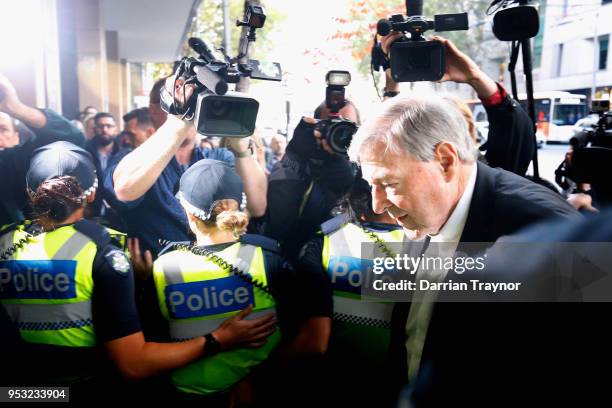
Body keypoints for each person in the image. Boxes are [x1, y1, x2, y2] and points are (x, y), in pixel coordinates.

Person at [347, 91, 579, 403]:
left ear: (445, 161)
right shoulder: (423, 212)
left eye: (389, 184)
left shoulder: (544, 226)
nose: (377, 205)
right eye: (371, 185)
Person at [0, 142, 276, 402]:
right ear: (93, 194)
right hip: (85, 390)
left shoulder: (5, 242)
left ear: (31, 193)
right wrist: (219, 339)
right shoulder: (105, 252)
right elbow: (133, 365)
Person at [147, 159, 329, 403]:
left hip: (186, 394)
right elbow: (302, 336)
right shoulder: (269, 259)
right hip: (261, 390)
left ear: (189, 213)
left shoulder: (162, 267)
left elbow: (150, 344)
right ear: (239, 207)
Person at [106, 77, 268, 256]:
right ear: (153, 110)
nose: (194, 111)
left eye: (199, 103)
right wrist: (178, 120)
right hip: (157, 274)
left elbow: (258, 207)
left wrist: (241, 148)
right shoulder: (131, 159)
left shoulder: (217, 158)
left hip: (215, 272)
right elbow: (124, 191)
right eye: (189, 102)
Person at [382, 35, 535, 176]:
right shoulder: (407, 177)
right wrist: (392, 82)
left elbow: (514, 134)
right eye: (431, 126)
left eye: (447, 123)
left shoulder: (487, 175)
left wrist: (475, 77)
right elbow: (382, 140)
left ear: (469, 128)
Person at [263, 100, 359, 261]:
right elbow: (279, 224)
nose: (341, 133)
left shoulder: (369, 171)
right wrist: (294, 158)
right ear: (317, 129)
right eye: (331, 125)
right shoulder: (300, 168)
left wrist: (347, 183)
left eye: (349, 126)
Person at [0, 72, 84, 226]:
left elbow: (72, 138)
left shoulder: (12, 162)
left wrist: (14, 107)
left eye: (2, 129)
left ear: (16, 136)